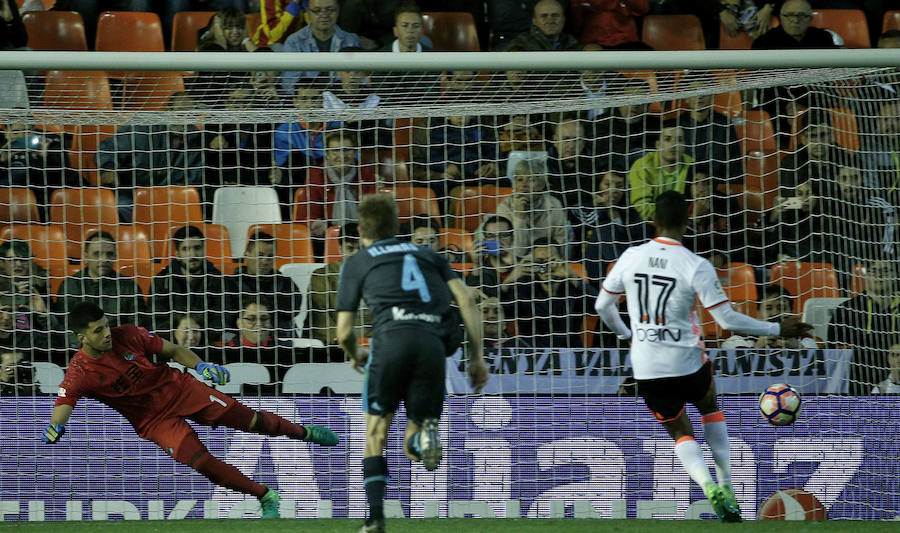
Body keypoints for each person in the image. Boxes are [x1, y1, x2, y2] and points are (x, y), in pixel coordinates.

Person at [594, 190, 811, 522]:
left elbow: (602, 306)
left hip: (647, 365)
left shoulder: (630, 257)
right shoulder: (695, 264)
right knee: (709, 408)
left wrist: (627, 334)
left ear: (654, 221)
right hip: (688, 362)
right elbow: (727, 320)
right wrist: (777, 329)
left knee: (680, 432)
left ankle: (708, 484)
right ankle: (727, 484)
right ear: (688, 220)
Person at [40, 301, 339, 518]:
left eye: (105, 325)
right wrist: (57, 426)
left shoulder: (127, 334)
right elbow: (65, 402)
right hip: (154, 420)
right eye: (97, 331)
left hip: (181, 390)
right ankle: (265, 496)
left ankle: (304, 432)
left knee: (251, 421)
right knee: (201, 462)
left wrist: (201, 365)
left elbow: (171, 350)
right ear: (82, 337)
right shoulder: (79, 372)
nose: (106, 333)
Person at [334, 194, 488, 533]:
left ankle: (375, 519)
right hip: (432, 347)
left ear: (361, 229)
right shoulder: (429, 254)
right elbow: (464, 297)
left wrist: (352, 352)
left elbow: (344, 330)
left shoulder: (358, 261)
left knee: (375, 435)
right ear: (399, 227)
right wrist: (476, 357)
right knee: (413, 447)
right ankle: (423, 439)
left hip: (389, 345)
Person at [502, 238, 599, 348]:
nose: (545, 268)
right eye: (539, 262)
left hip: (570, 355)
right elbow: (500, 315)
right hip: (533, 355)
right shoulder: (524, 289)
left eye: (551, 261)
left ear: (562, 260)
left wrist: (574, 278)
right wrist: (507, 282)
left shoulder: (573, 287)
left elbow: (601, 307)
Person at [55, 231, 146, 346]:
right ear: (86, 257)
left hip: (119, 351)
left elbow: (136, 328)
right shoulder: (70, 286)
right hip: (80, 352)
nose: (104, 259)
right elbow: (65, 327)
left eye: (109, 254)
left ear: (115, 257)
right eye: (97, 254)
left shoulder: (128, 287)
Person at [828, 259, 899, 395]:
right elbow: (835, 354)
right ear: (866, 275)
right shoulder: (846, 310)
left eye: (885, 271)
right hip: (858, 383)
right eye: (874, 271)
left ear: (896, 274)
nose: (879, 276)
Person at [294, 129, 379, 243]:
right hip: (326, 235)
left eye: (346, 150)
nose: (341, 156)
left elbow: (373, 212)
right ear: (327, 153)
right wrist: (315, 223)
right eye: (335, 151)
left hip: (361, 233)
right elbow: (307, 215)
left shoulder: (366, 172)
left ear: (354, 152)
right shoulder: (316, 175)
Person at [149, 226, 230, 340]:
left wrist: (197, 336)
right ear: (177, 254)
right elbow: (155, 321)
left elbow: (224, 320)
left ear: (204, 250)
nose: (193, 254)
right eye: (186, 249)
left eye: (197, 248)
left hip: (209, 345)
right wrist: (180, 336)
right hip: (172, 346)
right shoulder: (162, 281)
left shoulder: (218, 280)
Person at [580, 170, 652, 284]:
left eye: (619, 186)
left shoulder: (631, 214)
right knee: (604, 229)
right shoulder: (585, 210)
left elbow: (639, 241)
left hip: (631, 268)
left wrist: (611, 209)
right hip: (597, 271)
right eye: (607, 185)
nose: (613, 190)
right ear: (598, 185)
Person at [230, 231, 302, 339]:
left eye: (270, 257)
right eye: (260, 256)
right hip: (242, 341)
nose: (265, 261)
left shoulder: (284, 282)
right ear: (247, 255)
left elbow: (293, 310)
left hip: (280, 340)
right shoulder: (231, 284)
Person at [309, 223, 373, 345]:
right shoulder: (321, 277)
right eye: (350, 248)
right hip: (331, 346)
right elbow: (321, 321)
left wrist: (368, 342)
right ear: (339, 248)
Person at [280, 0, 362, 91]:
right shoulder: (294, 42)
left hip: (341, 101)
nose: (324, 15)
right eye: (317, 10)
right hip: (308, 101)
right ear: (308, 12)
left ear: (338, 11)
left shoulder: (351, 40)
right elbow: (289, 84)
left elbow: (359, 80)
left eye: (330, 9)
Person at [496, 158, 569, 257]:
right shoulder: (505, 207)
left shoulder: (554, 205)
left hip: (546, 259)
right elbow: (517, 252)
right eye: (519, 179)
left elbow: (560, 244)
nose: (523, 185)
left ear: (542, 185)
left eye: (530, 180)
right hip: (512, 260)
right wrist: (519, 217)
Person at [628, 121, 693, 220]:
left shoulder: (693, 165)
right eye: (668, 139)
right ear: (658, 144)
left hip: (683, 222)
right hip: (650, 221)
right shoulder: (642, 165)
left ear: (684, 145)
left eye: (679, 140)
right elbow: (641, 205)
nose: (674, 144)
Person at [721, 285, 819, 349]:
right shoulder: (736, 342)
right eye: (769, 308)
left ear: (791, 312)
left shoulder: (806, 342)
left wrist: (798, 349)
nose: (775, 313)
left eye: (781, 308)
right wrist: (758, 347)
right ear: (758, 313)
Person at [506, 0, 581, 51]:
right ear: (534, 21)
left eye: (555, 15)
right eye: (544, 16)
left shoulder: (571, 42)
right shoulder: (522, 43)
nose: (550, 21)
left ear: (563, 19)